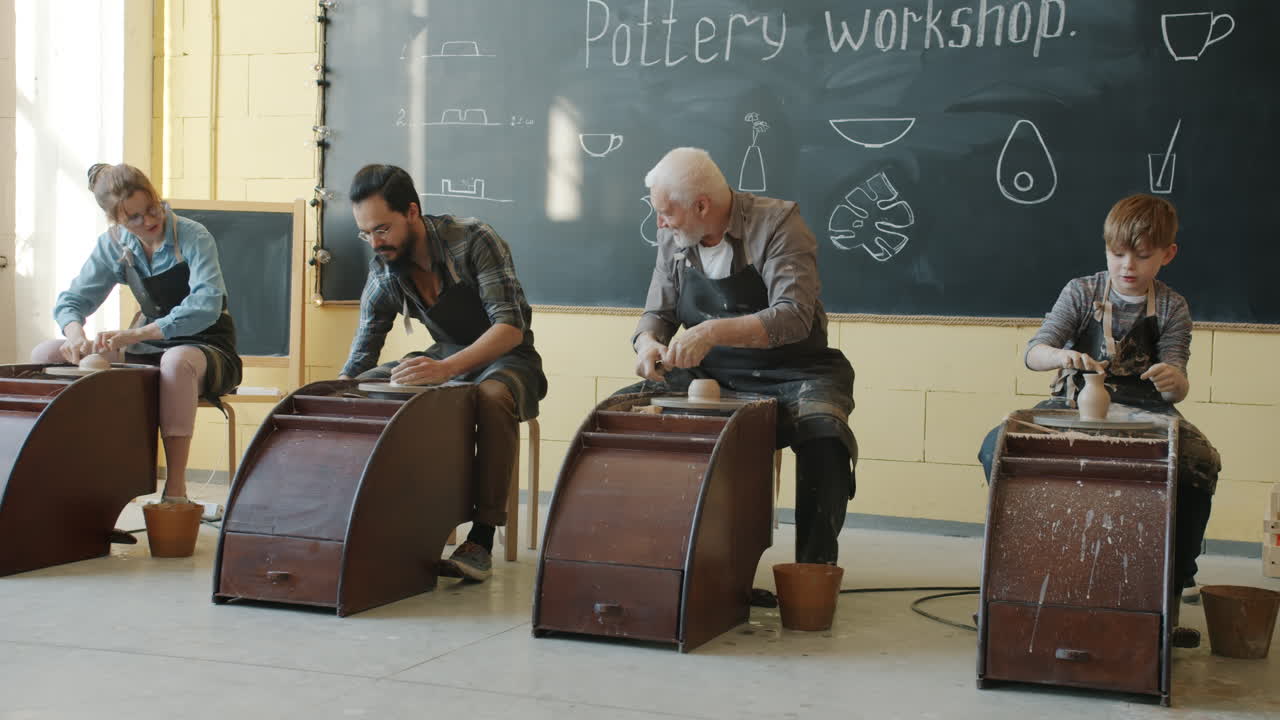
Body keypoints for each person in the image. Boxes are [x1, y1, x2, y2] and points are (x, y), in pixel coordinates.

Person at [977, 193, 1220, 645]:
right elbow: (1033, 352)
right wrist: (1057, 355)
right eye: (1117, 253)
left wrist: (1172, 381)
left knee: (1200, 463)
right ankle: (1014, 583)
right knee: (996, 446)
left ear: (1167, 254)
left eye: (1143, 256)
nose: (1128, 265)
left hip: (1147, 407)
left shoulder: (1172, 307)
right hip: (1075, 397)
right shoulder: (1082, 291)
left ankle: (1173, 584)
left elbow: (1179, 381)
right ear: (1106, 248)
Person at [622, 147, 857, 566]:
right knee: (620, 416)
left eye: (667, 212)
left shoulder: (779, 224)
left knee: (825, 437)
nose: (660, 222)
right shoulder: (674, 235)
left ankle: (812, 572)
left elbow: (794, 316)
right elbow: (657, 312)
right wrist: (648, 344)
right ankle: (655, 559)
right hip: (709, 373)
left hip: (792, 370)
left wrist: (711, 331)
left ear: (702, 205)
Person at [338, 164, 547, 581]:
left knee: (491, 397)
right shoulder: (383, 266)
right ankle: (382, 519)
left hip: (509, 356)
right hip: (443, 356)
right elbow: (364, 350)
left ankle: (480, 540)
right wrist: (337, 391)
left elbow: (509, 328)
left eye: (382, 229)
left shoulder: (473, 239)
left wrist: (446, 370)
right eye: (366, 234)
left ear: (412, 212)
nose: (375, 243)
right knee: (369, 389)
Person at [30, 163, 242, 507]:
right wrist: (74, 335)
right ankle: (62, 478)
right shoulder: (114, 245)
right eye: (134, 218)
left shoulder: (193, 235)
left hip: (206, 346)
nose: (148, 221)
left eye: (152, 209)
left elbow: (205, 305)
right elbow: (72, 301)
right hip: (146, 345)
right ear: (116, 221)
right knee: (47, 354)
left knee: (175, 361)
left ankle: (175, 494)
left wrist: (135, 333)